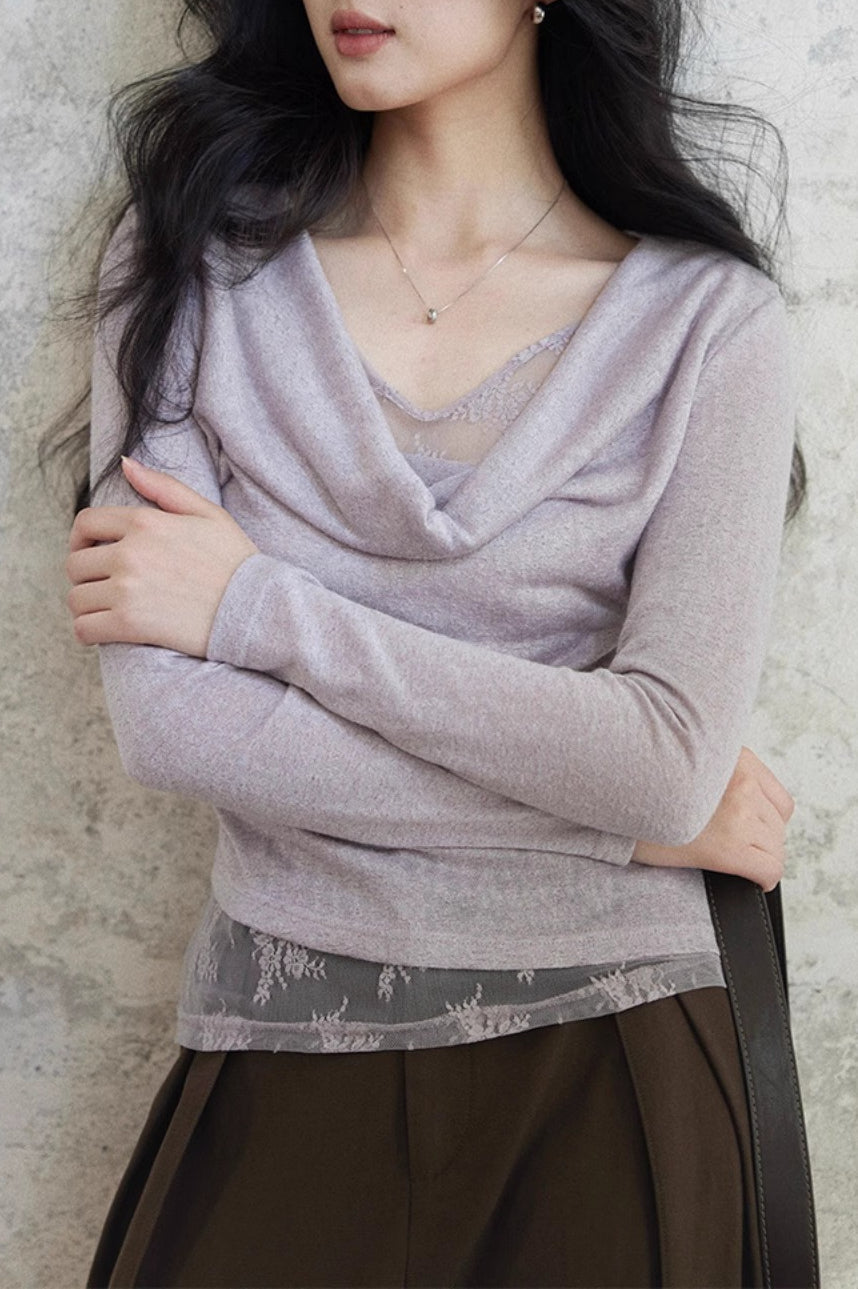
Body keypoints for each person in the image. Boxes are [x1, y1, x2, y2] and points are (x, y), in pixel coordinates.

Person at [57, 1, 808, 1285]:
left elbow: (664, 761)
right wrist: (615, 823)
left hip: (616, 1057)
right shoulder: (189, 264)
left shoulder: (710, 326)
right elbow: (175, 727)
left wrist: (257, 608)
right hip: (282, 1041)